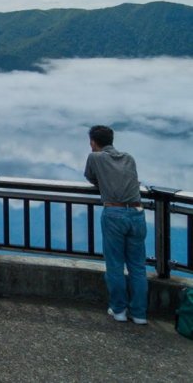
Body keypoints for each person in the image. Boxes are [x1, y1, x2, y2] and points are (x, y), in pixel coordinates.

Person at [84, 125, 148, 325]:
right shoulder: (129, 157)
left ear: (93, 142)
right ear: (112, 140)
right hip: (137, 213)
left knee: (115, 265)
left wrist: (104, 184)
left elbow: (90, 176)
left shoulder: (95, 157)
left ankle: (119, 310)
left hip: (114, 213)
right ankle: (139, 314)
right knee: (138, 267)